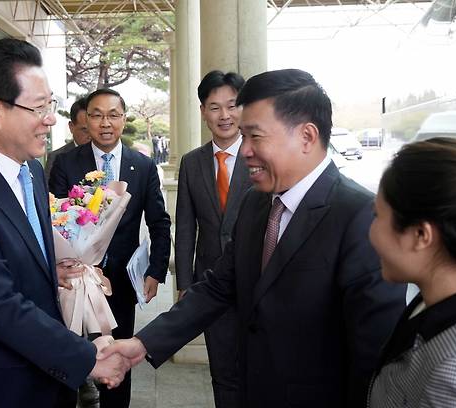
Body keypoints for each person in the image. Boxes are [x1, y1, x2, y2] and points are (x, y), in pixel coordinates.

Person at [101, 69, 406, 408]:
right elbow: (219, 286)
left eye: (255, 137)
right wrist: (143, 344)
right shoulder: (257, 204)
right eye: (243, 136)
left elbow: (374, 355)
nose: (244, 151)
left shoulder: (362, 217)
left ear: (307, 136)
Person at [0, 39, 128, 408]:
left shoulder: (30, 170)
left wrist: (54, 270)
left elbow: (22, 259)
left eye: (51, 105)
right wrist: (88, 357)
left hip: (39, 376)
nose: (51, 118)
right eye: (38, 107)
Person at [49, 88, 171, 408]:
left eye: (113, 115)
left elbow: (159, 222)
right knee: (68, 355)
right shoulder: (64, 163)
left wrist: (156, 271)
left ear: (123, 118)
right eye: (97, 115)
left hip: (119, 282)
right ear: (85, 120)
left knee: (117, 360)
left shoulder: (142, 166)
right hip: (74, 280)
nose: (105, 123)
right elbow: (54, 218)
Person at [368, 138, 456, 407]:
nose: (371, 232)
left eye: (377, 216)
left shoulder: (453, 378)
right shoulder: (430, 301)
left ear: (421, 235)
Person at [174, 70, 250, 408]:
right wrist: (185, 282)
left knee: (257, 366)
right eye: (215, 107)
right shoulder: (192, 163)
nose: (225, 116)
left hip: (256, 278)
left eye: (232, 106)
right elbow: (186, 226)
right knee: (221, 369)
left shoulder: (258, 156)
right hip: (210, 281)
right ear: (203, 111)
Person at [45, 97, 90, 178]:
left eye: (94, 130)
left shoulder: (105, 156)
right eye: (85, 130)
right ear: (71, 127)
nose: (91, 136)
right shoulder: (56, 158)